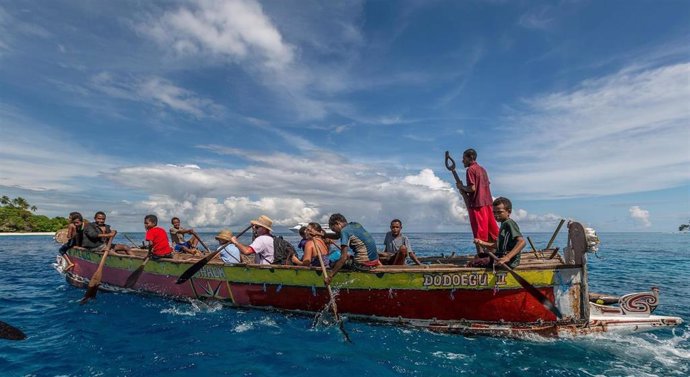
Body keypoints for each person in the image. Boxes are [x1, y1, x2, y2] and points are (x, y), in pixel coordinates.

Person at [455, 148, 499, 256]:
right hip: (488, 204)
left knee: (479, 232)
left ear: (470, 158)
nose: (462, 161)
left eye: (464, 158)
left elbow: (472, 188)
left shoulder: (470, 169)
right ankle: (494, 252)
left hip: (477, 205)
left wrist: (462, 187)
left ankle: (481, 255)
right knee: (491, 231)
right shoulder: (483, 169)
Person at [470, 197, 525, 268]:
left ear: (509, 212)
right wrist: (482, 243)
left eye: (499, 212)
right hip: (500, 255)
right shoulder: (504, 224)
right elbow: (498, 245)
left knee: (473, 263)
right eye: (494, 212)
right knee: (479, 256)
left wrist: (507, 257)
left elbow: (522, 242)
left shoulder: (509, 223)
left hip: (508, 261)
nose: (496, 215)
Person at [325, 214, 380, 284]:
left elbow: (343, 258)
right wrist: (322, 234)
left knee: (333, 263)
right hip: (374, 261)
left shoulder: (344, 231)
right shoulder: (356, 225)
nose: (335, 232)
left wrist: (330, 276)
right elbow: (337, 236)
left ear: (337, 223)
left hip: (363, 264)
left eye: (334, 229)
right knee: (349, 258)